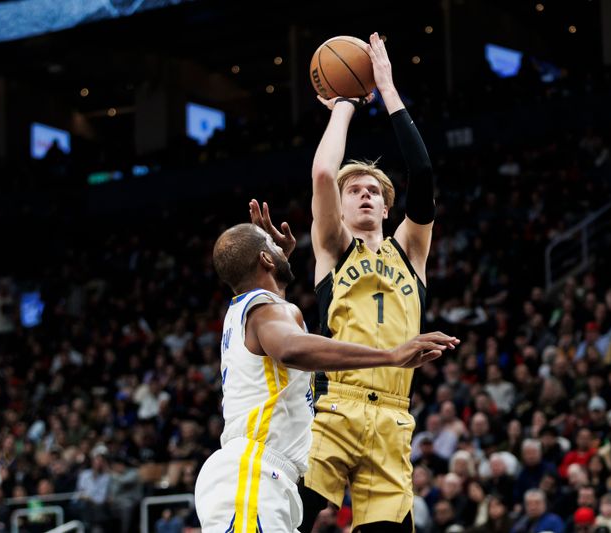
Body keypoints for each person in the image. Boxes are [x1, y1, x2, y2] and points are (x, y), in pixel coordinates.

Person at [194, 222, 457, 532]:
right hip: (255, 472)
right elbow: (291, 348)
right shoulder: (266, 310)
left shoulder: (250, 311)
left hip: (266, 477)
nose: (283, 248)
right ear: (265, 260)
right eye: (273, 248)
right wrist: (390, 356)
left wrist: (278, 259)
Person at [299, 32, 439, 533]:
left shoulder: (411, 252)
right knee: (286, 517)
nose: (362, 195)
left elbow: (421, 172)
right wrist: (344, 106)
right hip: (335, 408)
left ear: (386, 205)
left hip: (394, 421)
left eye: (372, 191)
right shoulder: (333, 248)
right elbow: (321, 173)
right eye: (353, 190)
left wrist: (388, 89)